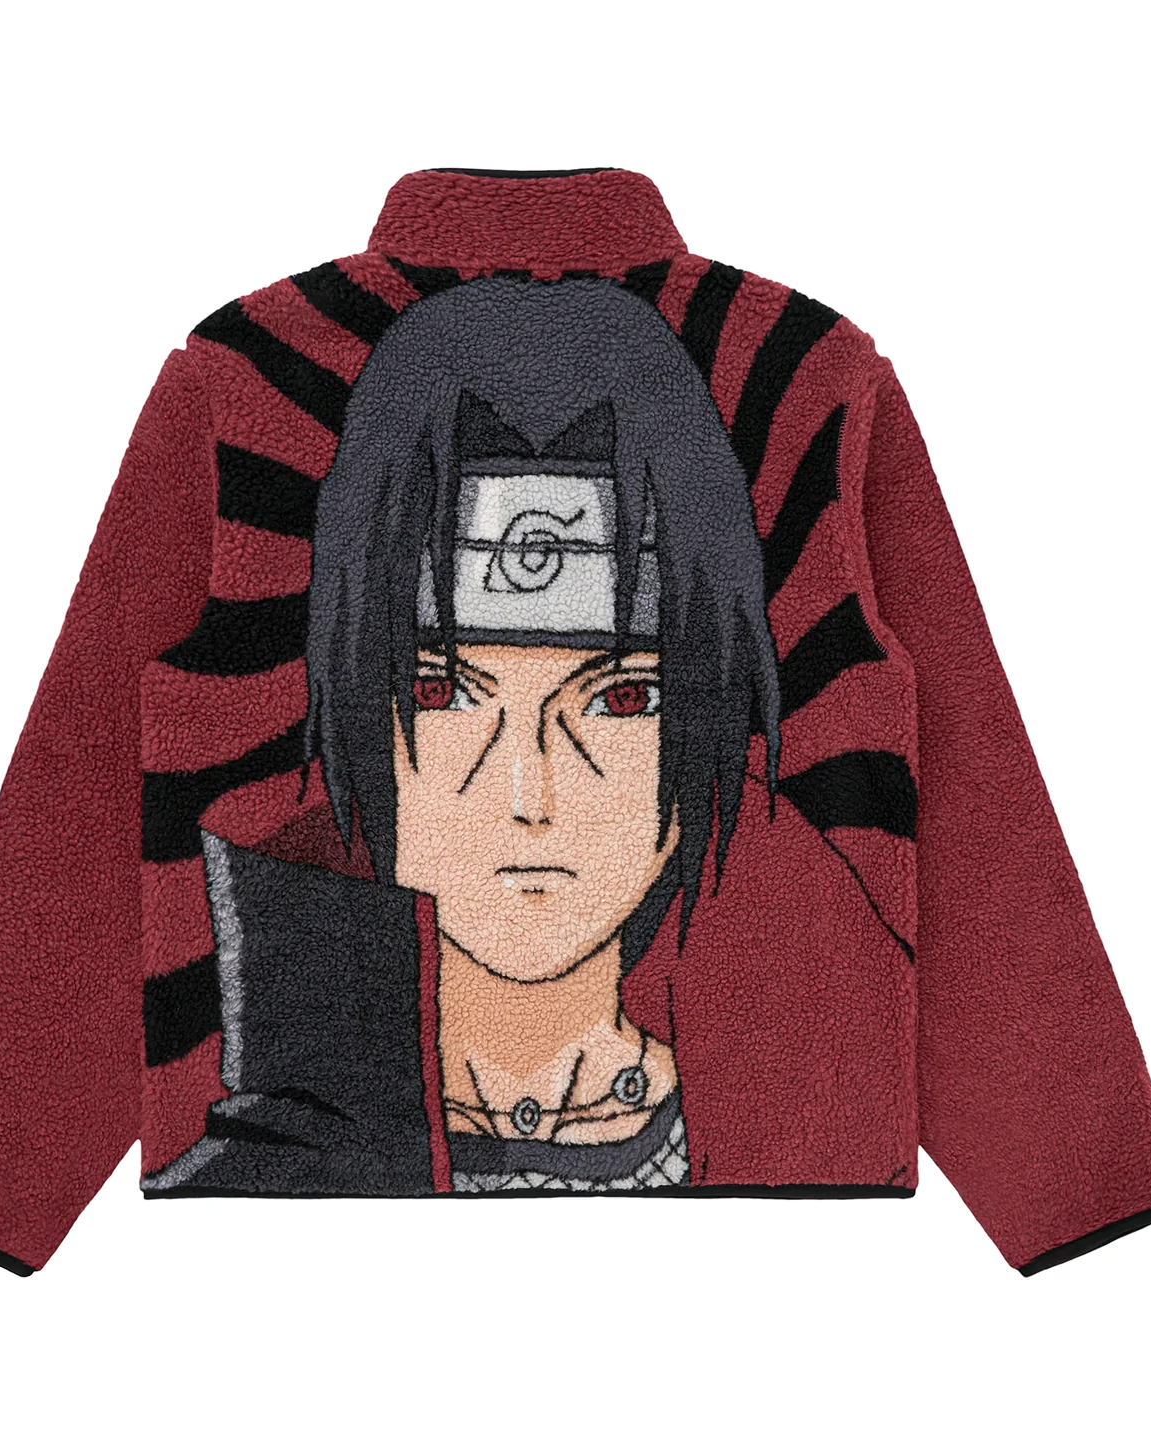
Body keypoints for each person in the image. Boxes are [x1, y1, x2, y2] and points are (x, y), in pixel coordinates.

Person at [143, 276, 780, 1194]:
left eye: (620, 700)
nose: (529, 795)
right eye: (442, 693)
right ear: (357, 705)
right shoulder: (267, 1151)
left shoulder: (805, 1103)